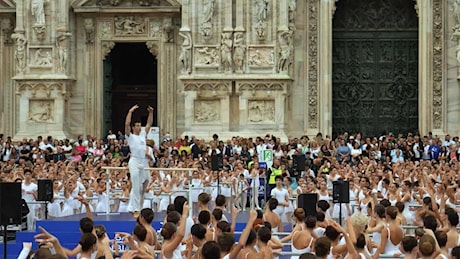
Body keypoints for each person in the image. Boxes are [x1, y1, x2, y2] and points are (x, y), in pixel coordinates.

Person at [125, 104, 154, 218]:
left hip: (144, 161)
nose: (139, 127)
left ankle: (139, 207)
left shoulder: (142, 135)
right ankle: (135, 209)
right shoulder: (130, 136)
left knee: (145, 183)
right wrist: (130, 112)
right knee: (136, 185)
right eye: (136, 125)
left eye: (139, 125)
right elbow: (126, 124)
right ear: (133, 127)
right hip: (135, 161)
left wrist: (151, 113)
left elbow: (149, 124)